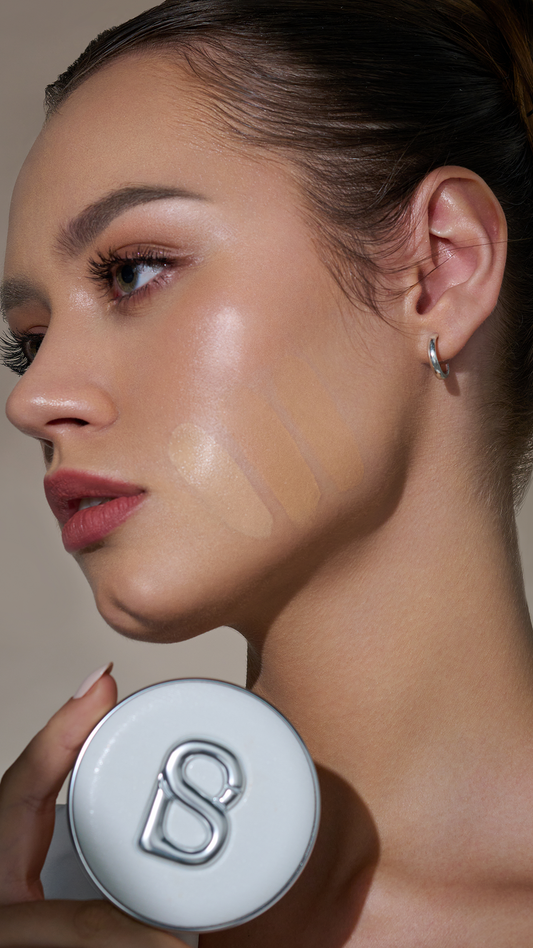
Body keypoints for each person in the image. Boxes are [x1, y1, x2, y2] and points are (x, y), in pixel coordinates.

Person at [2, 0, 533, 943]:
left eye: (133, 271)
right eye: (28, 341)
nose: (34, 399)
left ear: (438, 270)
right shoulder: (38, 902)